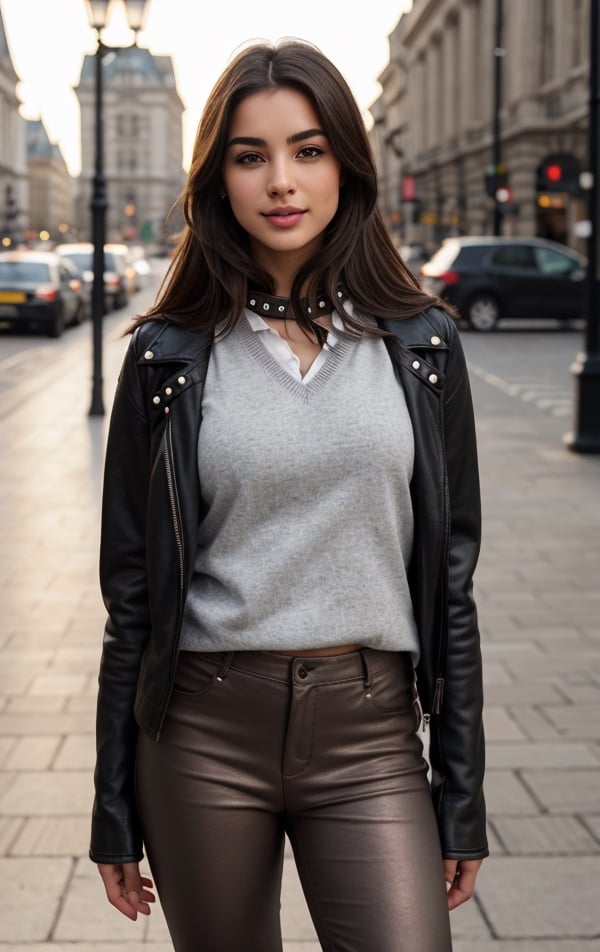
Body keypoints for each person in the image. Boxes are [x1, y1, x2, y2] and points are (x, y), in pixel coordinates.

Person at [90, 39, 488, 952]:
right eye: (249, 154)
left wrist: (460, 794)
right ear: (217, 178)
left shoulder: (422, 348)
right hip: (200, 733)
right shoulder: (167, 358)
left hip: (371, 733)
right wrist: (113, 803)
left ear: (346, 163)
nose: (281, 180)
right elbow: (131, 597)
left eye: (307, 150)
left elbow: (452, 582)